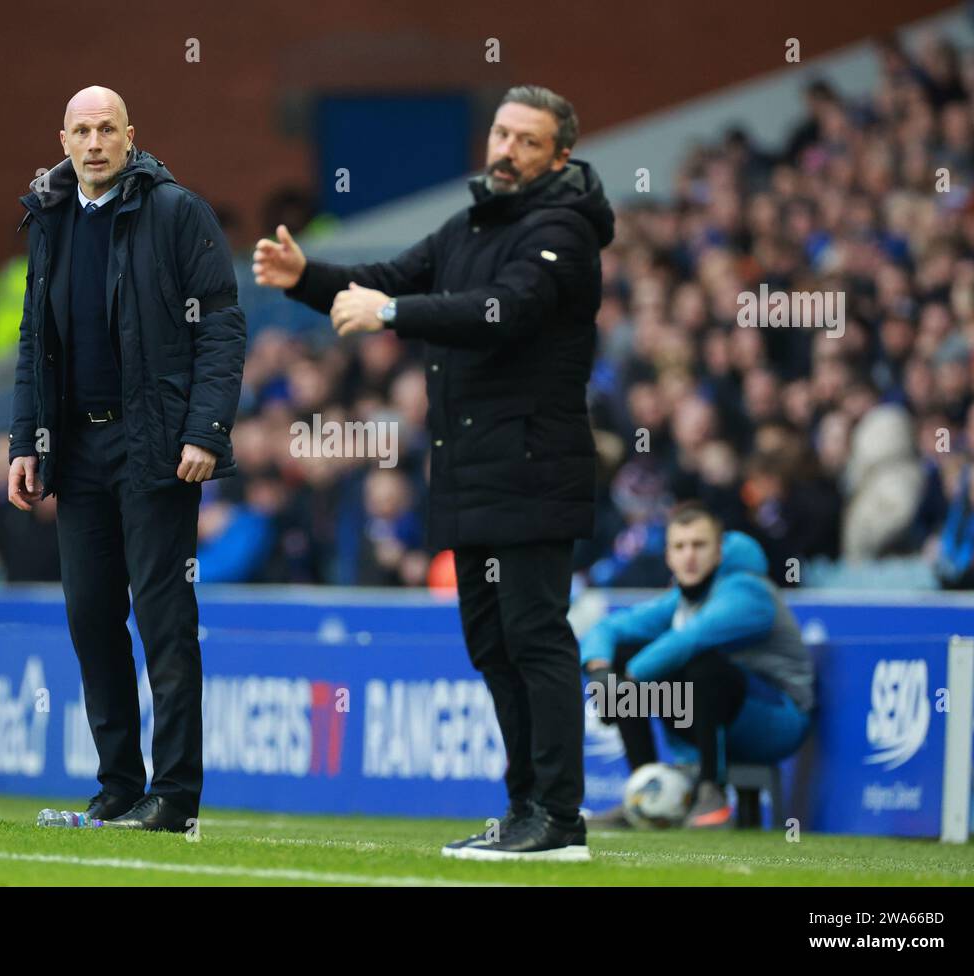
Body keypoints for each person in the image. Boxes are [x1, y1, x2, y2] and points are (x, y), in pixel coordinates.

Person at [255, 85, 615, 860]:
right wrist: (307, 277)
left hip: (532, 468)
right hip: (471, 473)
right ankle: (526, 813)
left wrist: (390, 316)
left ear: (560, 158)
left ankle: (560, 817)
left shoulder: (563, 230)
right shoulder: (467, 225)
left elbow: (505, 311)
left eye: (528, 141)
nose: (507, 150)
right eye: (502, 133)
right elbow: (392, 275)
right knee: (491, 645)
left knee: (536, 638)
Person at [7, 86, 246, 832]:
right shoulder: (48, 217)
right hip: (75, 449)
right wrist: (25, 442)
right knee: (90, 616)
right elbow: (31, 343)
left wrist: (205, 429)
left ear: (131, 136)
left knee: (164, 618)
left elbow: (222, 327)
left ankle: (173, 797)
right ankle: (117, 786)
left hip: (156, 446)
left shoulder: (175, 211)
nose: (96, 141)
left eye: (108, 128)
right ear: (64, 139)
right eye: (82, 130)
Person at [580, 502, 815, 828]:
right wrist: (601, 673)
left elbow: (690, 638)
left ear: (718, 553)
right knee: (623, 652)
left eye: (699, 545)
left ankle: (711, 791)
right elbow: (609, 628)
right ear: (668, 556)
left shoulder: (748, 591)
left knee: (700, 663)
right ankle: (645, 791)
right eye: (680, 546)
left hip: (777, 721)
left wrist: (625, 687)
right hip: (715, 714)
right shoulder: (681, 597)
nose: (689, 555)